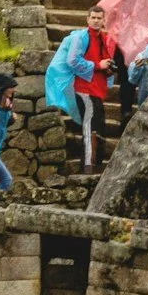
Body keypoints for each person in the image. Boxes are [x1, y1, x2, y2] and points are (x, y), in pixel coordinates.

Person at [44, 9, 117, 173]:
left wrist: (108, 69)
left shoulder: (104, 39)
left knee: (99, 129)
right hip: (84, 89)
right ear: (87, 19)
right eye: (93, 18)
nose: (96, 21)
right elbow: (72, 60)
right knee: (90, 128)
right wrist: (98, 65)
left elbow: (105, 62)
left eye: (99, 18)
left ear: (103, 20)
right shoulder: (80, 37)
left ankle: (94, 166)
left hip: (97, 90)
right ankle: (87, 169)